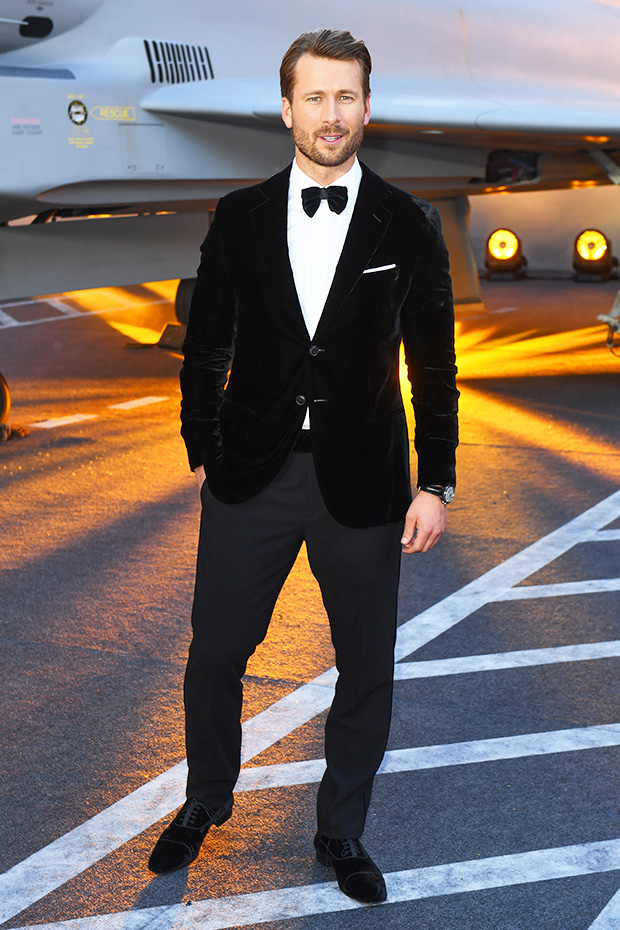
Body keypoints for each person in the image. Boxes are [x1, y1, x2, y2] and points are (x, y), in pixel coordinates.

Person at [148, 28, 459, 905]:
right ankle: (206, 799)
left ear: (368, 108)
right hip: (252, 473)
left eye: (345, 96)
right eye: (314, 97)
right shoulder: (239, 214)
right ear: (286, 109)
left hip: (364, 481)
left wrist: (434, 482)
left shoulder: (410, 221)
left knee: (365, 665)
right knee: (216, 653)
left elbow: (434, 364)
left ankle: (340, 831)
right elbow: (206, 343)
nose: (331, 114)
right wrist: (204, 448)